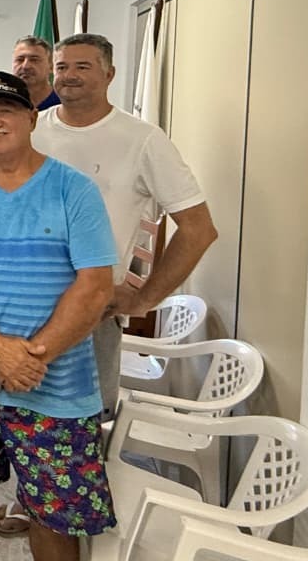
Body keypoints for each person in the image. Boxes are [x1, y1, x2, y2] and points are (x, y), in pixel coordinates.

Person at [0, 71, 117, 561]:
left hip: (57, 387)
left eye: (6, 111)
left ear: (32, 118)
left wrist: (31, 359)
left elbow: (95, 287)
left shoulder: (74, 190)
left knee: (52, 513)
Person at [35, 34, 216, 411]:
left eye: (82, 67)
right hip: (20, 305)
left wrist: (145, 299)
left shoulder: (143, 140)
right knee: (14, 422)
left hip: (93, 310)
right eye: (61, 67)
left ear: (109, 74)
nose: (69, 76)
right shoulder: (31, 129)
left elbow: (199, 228)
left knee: (84, 426)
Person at [12, 36, 61, 110]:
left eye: (34, 60)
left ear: (51, 67)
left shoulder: (65, 103)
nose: (25, 66)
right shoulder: (3, 102)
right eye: (20, 60)